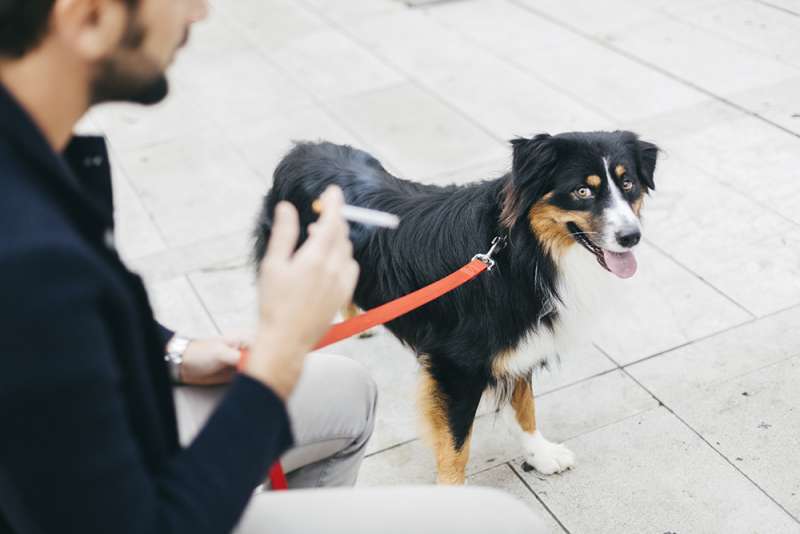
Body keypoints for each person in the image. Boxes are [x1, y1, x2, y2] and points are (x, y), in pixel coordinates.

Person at [0, 0, 548, 532]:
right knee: (502, 521)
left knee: (349, 391)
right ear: (88, 15)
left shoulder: (34, 166)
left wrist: (175, 350)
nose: (200, 13)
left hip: (121, 416)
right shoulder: (32, 261)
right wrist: (279, 355)